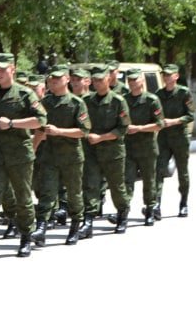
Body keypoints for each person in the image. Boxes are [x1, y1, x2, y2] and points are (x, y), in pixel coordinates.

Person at [0, 53, 48, 258]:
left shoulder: (25, 94)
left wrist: (13, 123)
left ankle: (26, 236)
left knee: (23, 196)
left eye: (3, 69)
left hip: (19, 154)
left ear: (13, 69)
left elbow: (41, 121)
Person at [35, 68, 91, 245]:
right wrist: (35, 145)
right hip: (50, 155)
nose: (53, 82)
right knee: (46, 192)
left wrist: (60, 132)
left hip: (71, 157)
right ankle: (41, 228)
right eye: (51, 79)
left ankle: (75, 225)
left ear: (66, 80)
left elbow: (83, 131)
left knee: (74, 194)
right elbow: (38, 126)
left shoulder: (76, 103)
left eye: (57, 79)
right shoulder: (45, 102)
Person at [83, 66, 132, 235]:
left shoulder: (118, 101)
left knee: (117, 187)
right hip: (92, 151)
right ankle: (87, 221)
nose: (97, 84)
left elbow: (123, 129)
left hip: (113, 152)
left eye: (100, 80)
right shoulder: (87, 101)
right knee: (90, 185)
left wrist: (101, 137)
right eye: (94, 80)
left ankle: (122, 215)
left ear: (108, 80)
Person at [123, 68, 165, 225]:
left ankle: (149, 210)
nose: (132, 83)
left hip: (147, 148)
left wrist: (139, 128)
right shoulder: (124, 100)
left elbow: (159, 124)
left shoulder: (151, 100)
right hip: (129, 147)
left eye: (135, 80)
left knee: (149, 180)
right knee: (127, 180)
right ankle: (124, 211)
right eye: (130, 80)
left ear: (142, 81)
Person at [155, 64, 195, 216]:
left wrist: (175, 121)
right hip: (164, 137)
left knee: (182, 172)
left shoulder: (184, 93)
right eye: (165, 75)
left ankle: (183, 203)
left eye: (169, 75)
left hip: (179, 136)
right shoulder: (159, 94)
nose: (167, 78)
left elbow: (191, 115)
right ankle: (156, 205)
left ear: (176, 76)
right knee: (159, 170)